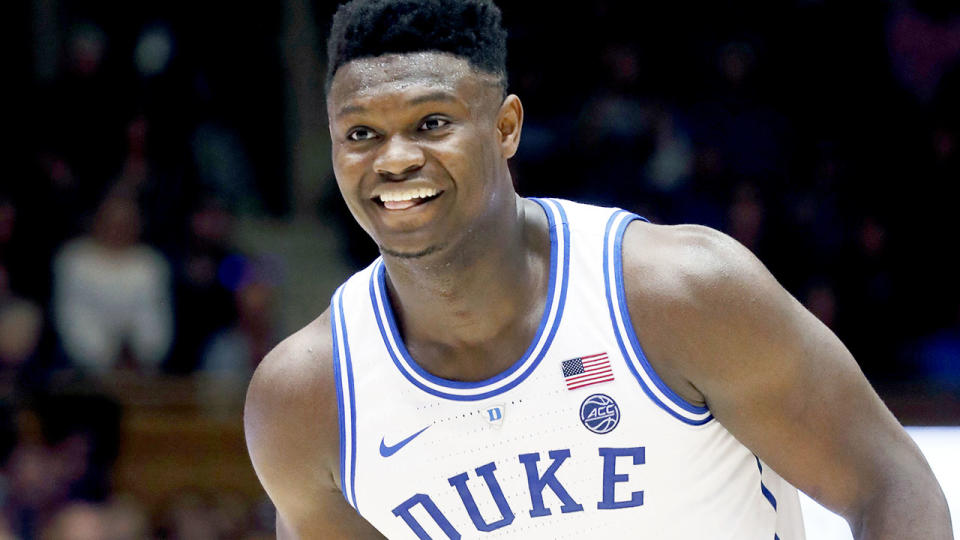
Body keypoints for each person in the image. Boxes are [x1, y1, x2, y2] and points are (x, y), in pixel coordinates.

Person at [244, 0, 953, 538]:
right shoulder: (305, 401)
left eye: (431, 123)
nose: (394, 158)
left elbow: (889, 484)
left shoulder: (677, 293)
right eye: (361, 133)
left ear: (506, 126)